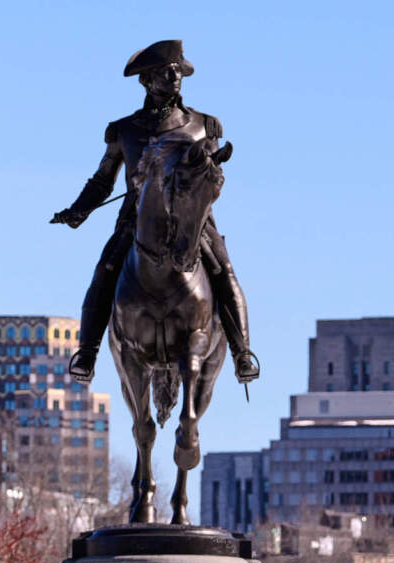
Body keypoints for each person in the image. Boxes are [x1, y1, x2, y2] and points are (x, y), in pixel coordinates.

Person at [51, 39, 260, 386]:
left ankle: (242, 352)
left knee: (224, 272)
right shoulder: (125, 130)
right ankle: (87, 352)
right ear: (146, 81)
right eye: (165, 71)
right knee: (104, 272)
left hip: (193, 222)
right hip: (136, 222)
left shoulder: (205, 126)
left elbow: (213, 179)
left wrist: (197, 198)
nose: (174, 76)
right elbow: (103, 181)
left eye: (178, 70)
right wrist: (78, 211)